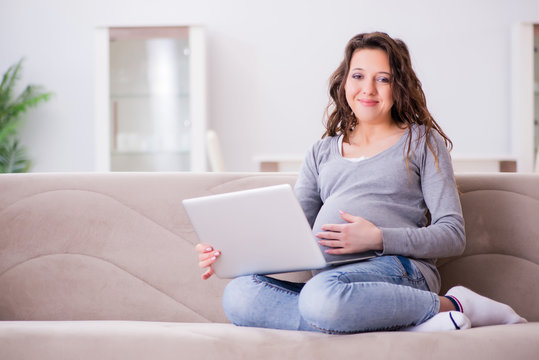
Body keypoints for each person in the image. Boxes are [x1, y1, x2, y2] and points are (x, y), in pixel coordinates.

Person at [195, 32, 527, 333]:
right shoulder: (321, 152)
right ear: (343, 82)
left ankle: (453, 304)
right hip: (330, 283)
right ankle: (398, 322)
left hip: (398, 271)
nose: (368, 89)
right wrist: (233, 252)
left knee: (320, 298)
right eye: (358, 75)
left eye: (382, 79)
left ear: (399, 88)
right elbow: (291, 232)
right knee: (239, 295)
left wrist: (378, 238)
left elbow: (452, 235)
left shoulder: (421, 142)